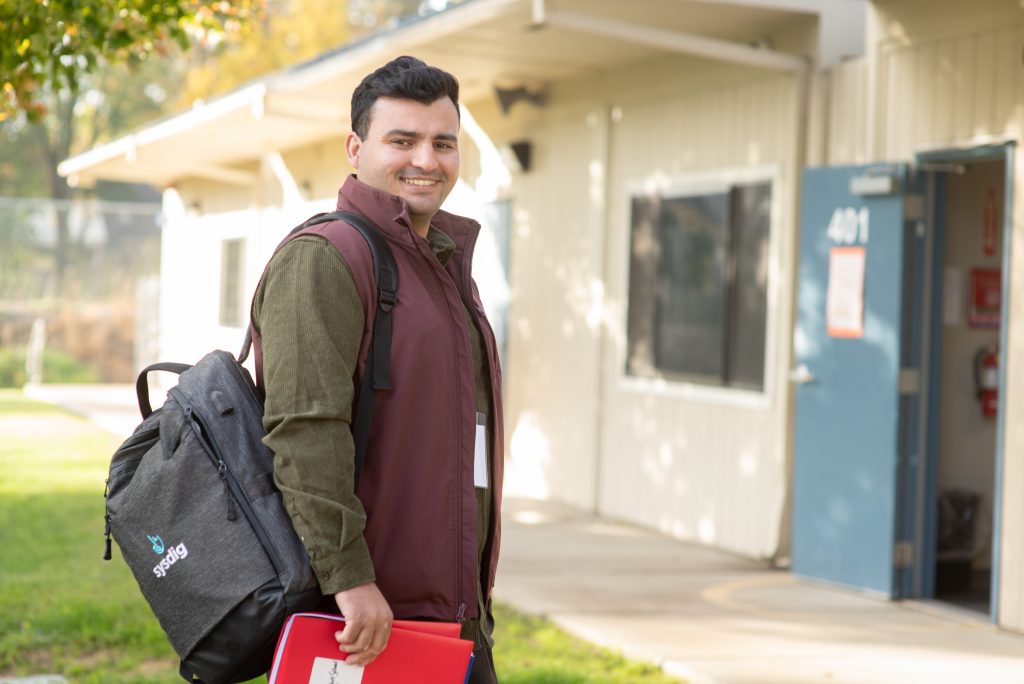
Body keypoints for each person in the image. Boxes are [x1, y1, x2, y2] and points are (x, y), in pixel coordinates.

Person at [251, 55, 504, 683]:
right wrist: (351, 580)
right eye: (403, 140)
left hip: (450, 617)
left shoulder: (438, 263)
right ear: (355, 148)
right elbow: (305, 429)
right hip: (368, 620)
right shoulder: (326, 258)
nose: (427, 160)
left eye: (443, 143)